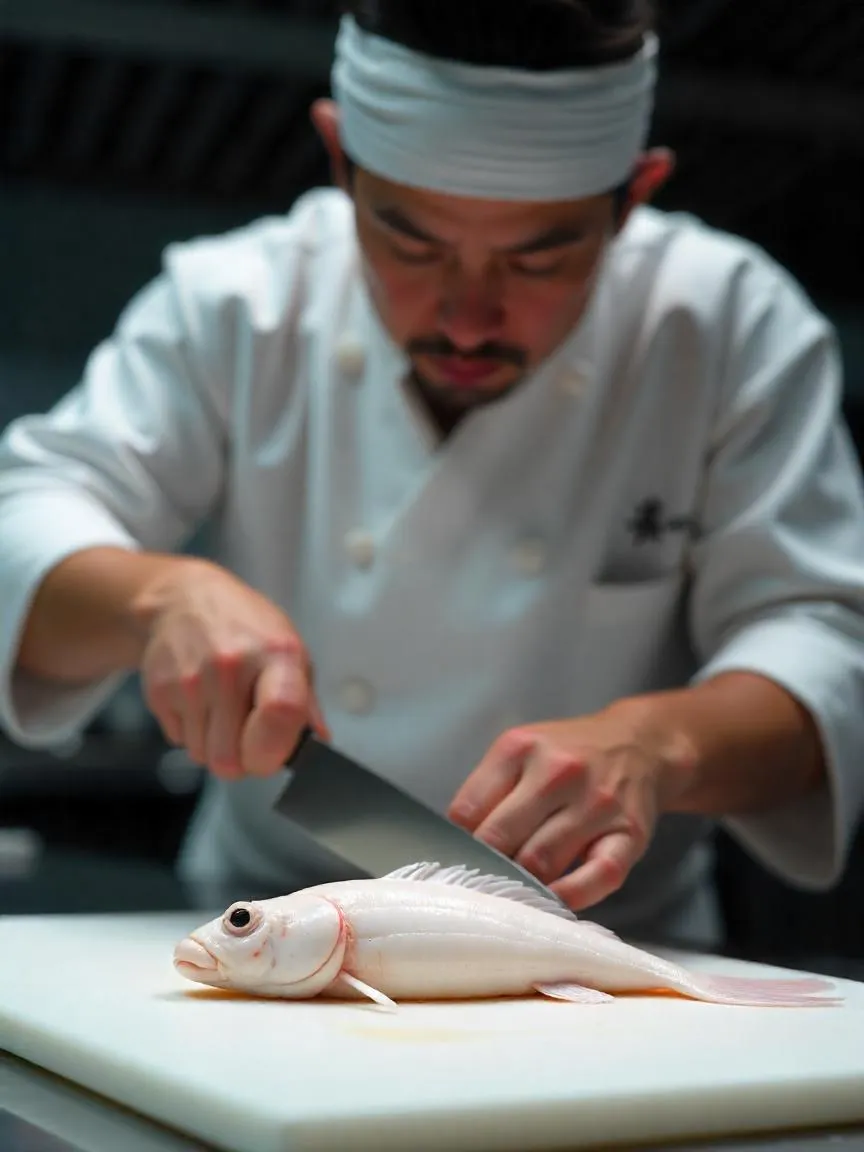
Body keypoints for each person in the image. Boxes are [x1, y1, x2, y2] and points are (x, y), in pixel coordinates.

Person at [1, 0, 864, 948]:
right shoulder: (237, 305)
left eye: (541, 255)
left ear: (635, 196)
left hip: (607, 949)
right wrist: (156, 599)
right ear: (339, 160)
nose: (466, 318)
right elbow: (31, 512)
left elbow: (825, 642)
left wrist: (660, 744)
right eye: (411, 243)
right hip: (269, 930)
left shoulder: (725, 325)